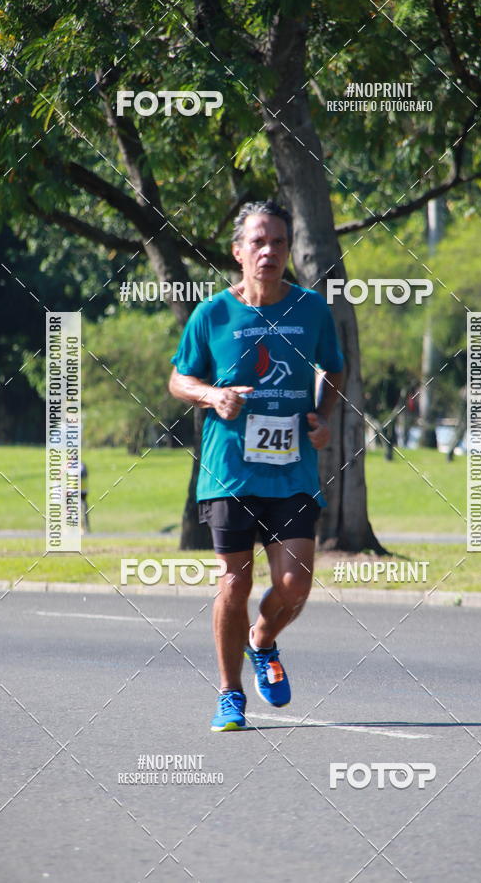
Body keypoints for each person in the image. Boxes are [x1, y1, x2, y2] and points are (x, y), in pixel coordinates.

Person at [168, 200, 344, 731]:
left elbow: (333, 370)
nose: (270, 252)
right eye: (259, 242)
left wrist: (320, 417)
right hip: (229, 471)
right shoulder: (213, 314)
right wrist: (213, 397)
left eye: (280, 243)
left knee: (295, 584)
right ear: (238, 251)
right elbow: (179, 379)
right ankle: (229, 694)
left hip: (291, 468)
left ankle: (262, 641)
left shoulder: (311, 310)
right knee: (232, 585)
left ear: (289, 251)